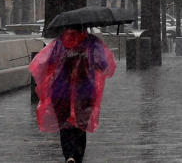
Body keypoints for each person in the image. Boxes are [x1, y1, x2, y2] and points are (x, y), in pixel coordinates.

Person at [30, 24, 117, 163]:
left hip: (61, 92)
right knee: (80, 128)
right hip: (84, 91)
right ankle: (77, 156)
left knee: (65, 127)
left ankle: (69, 155)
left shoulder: (60, 42)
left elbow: (47, 64)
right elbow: (105, 65)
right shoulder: (92, 42)